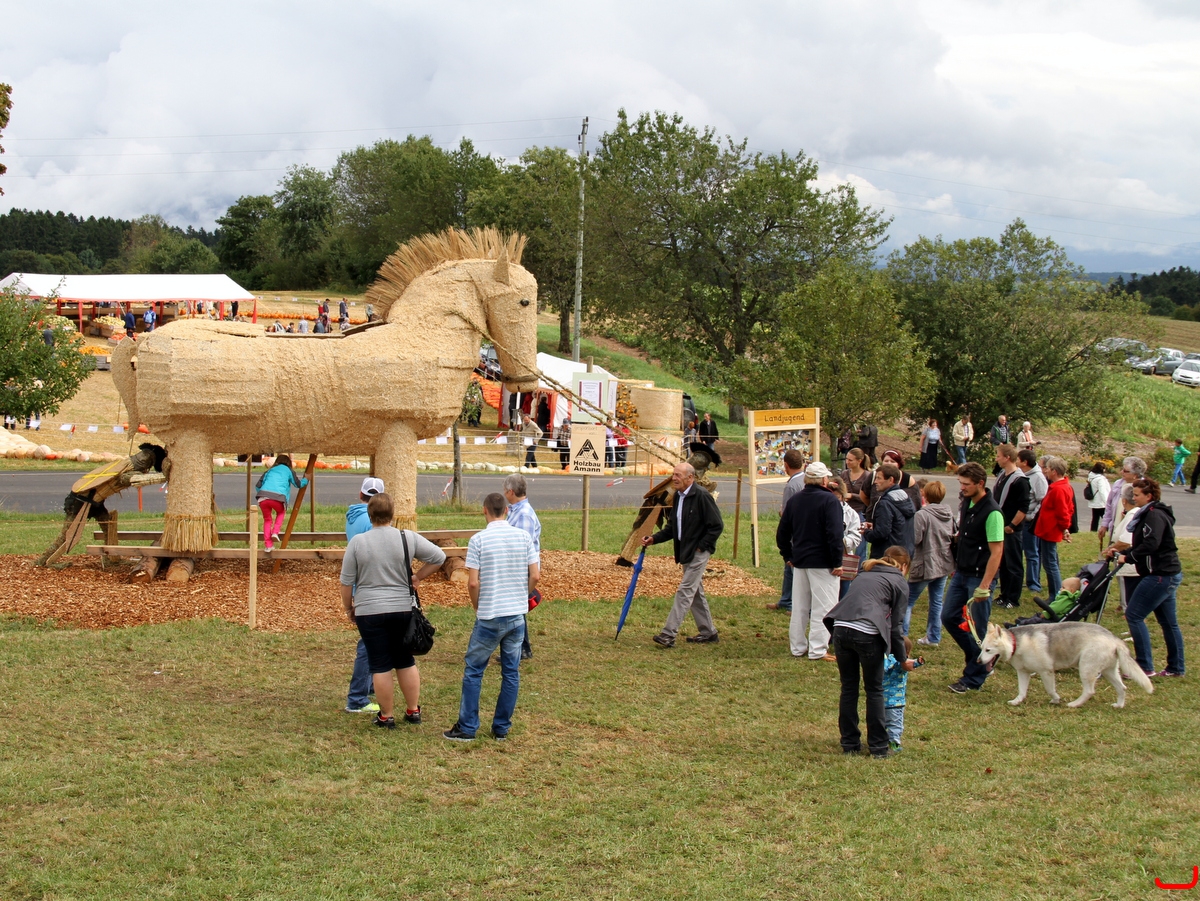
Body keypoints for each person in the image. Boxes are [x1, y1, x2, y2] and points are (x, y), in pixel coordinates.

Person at [340, 493, 446, 729]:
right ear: (392, 514)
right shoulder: (406, 537)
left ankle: (386, 715)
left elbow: (346, 583)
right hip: (402, 608)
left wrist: (349, 607)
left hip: (369, 609)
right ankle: (413, 709)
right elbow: (439, 557)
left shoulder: (357, 542)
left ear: (370, 514)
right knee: (405, 660)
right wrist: (418, 577)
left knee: (379, 664)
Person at [443, 492, 540, 741]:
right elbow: (535, 575)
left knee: (474, 670)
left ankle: (467, 727)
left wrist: (477, 606)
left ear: (484, 511)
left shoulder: (479, 540)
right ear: (506, 511)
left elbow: (473, 582)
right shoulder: (523, 537)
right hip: (516, 615)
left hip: (490, 614)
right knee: (511, 672)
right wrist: (522, 596)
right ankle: (501, 727)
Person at [822, 546, 911, 758]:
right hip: (867, 633)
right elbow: (896, 627)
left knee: (849, 687)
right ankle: (879, 747)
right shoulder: (899, 581)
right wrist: (902, 659)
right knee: (874, 689)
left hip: (840, 629)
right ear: (904, 566)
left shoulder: (864, 574)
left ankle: (849, 743)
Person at [644, 462, 725, 648]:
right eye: (674, 474)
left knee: (685, 590)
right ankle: (709, 632)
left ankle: (668, 634)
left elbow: (717, 526)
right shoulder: (678, 497)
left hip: (698, 552)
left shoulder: (702, 496)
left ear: (690, 478)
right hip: (686, 551)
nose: (674, 478)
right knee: (694, 592)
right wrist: (654, 539)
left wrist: (702, 547)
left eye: (678, 475)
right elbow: (673, 527)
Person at [1114, 478, 1185, 677]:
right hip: (1167, 573)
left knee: (1134, 615)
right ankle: (1176, 668)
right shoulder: (1150, 513)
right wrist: (1124, 552)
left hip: (1161, 575)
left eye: (1137, 495)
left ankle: (1144, 666)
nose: (1134, 498)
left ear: (1149, 496)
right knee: (1168, 623)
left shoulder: (1154, 515)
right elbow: (1143, 543)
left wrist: (1129, 557)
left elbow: (1151, 544)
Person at [943, 462, 1004, 694]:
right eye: (961, 483)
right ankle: (981, 659)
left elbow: (997, 552)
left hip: (979, 578)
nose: (962, 488)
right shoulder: (967, 503)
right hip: (962, 572)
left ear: (980, 484)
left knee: (978, 629)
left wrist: (985, 585)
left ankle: (973, 678)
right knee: (949, 616)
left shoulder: (993, 513)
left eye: (966, 484)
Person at [775, 461, 844, 661]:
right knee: (824, 607)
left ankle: (797, 647)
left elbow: (782, 532)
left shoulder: (795, 500)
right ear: (824, 480)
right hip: (823, 562)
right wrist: (837, 561)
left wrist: (788, 555)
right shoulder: (830, 501)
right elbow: (834, 534)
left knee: (800, 607)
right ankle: (818, 649)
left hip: (800, 560)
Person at [344, 476, 386, 715]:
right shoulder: (370, 523)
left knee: (371, 641)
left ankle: (368, 686)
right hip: (371, 587)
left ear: (360, 495)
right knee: (368, 645)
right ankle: (357, 698)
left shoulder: (353, 517)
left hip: (360, 586)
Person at [907, 479, 955, 646]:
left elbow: (915, 539)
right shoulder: (948, 513)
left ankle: (902, 636)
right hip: (943, 563)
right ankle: (934, 637)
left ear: (925, 494)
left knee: (907, 601)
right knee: (936, 601)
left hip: (925, 563)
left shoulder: (922, 515)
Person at [503, 474, 541, 661]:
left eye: (505, 490)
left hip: (522, 569)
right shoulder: (515, 510)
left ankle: (521, 649)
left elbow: (523, 546)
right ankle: (519, 648)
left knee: (516, 609)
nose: (504, 493)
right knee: (515, 609)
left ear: (511, 492)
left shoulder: (524, 514)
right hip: (518, 568)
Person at [993, 444, 1031, 610]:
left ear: (1007, 458)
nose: (997, 459)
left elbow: (1023, 507)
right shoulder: (1003, 475)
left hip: (1011, 528)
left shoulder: (1020, 480)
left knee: (1013, 563)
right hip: (1000, 525)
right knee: (1003, 562)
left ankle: (1013, 598)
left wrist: (1012, 525)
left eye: (999, 456)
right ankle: (1004, 594)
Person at [768, 450, 807, 612]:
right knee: (788, 569)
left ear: (786, 465)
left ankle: (795, 604)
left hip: (794, 532)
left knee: (793, 567)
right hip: (802, 529)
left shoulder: (792, 485)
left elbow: (786, 514)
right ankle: (786, 600)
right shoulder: (805, 479)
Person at [1033, 455, 1074, 600]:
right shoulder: (1062, 487)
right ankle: (1055, 593)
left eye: (1048, 469)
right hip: (1048, 530)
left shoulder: (1058, 489)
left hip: (1050, 530)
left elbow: (1063, 512)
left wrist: (1064, 528)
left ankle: (1056, 594)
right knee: (1050, 561)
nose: (1046, 471)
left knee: (1050, 563)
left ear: (1054, 471)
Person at [253, 455, 308, 552]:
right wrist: (306, 479)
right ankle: (275, 532)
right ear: (289, 463)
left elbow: (258, 486)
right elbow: (298, 484)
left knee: (267, 520)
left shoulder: (270, 470)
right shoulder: (289, 470)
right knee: (281, 512)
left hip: (263, 497)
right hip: (278, 497)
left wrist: (264, 493)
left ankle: (268, 545)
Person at [861, 464, 916, 558]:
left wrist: (866, 532)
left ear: (891, 480)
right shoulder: (906, 498)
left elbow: (882, 533)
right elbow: (898, 525)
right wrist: (876, 525)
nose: (875, 482)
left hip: (887, 555)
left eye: (879, 478)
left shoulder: (885, 503)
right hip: (904, 552)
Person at [1017, 449, 1049, 592]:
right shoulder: (1020, 474)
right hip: (1019, 520)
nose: (1015, 462)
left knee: (1031, 552)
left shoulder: (1038, 478)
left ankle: (1033, 583)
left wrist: (1031, 516)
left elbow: (1043, 501)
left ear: (1025, 462)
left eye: (1018, 459)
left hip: (1029, 522)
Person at [1100, 456, 1147, 547]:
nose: (1122, 472)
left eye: (1125, 471)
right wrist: (1104, 525)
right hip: (1116, 526)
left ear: (1135, 475)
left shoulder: (1145, 487)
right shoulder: (1118, 484)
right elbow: (1109, 505)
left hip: (1134, 531)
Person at [883, 637, 918, 754]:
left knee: (882, 723)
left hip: (881, 700)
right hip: (896, 702)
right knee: (895, 724)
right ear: (905, 652)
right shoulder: (900, 664)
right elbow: (909, 664)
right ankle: (893, 745)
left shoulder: (884, 660)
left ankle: (880, 741)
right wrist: (919, 662)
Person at [1086, 463, 1111, 531]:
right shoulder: (1100, 479)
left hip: (1094, 501)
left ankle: (1093, 530)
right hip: (1101, 502)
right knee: (1106, 517)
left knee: (1095, 518)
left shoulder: (1091, 476)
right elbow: (1102, 491)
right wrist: (1107, 502)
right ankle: (1109, 529)